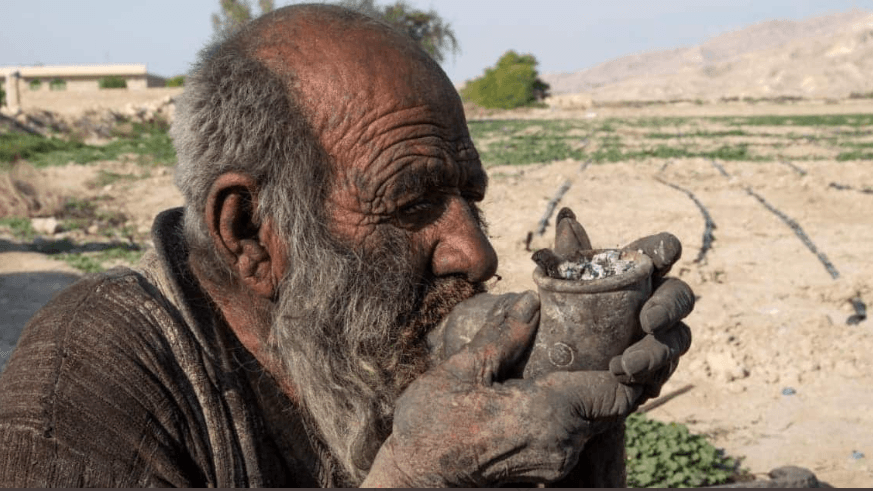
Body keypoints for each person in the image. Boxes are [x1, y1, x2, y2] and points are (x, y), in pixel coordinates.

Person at [0, 4, 693, 487]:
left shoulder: (368, 341)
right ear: (249, 235)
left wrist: (585, 401)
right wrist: (417, 476)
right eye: (410, 204)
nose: (475, 254)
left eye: (468, 198)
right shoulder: (85, 383)